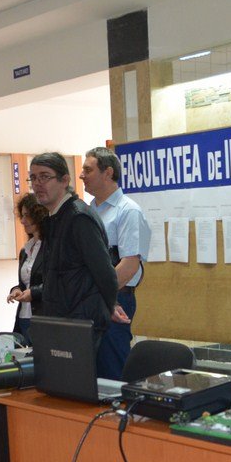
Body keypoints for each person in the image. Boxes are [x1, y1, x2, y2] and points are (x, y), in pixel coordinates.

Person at [27, 152, 125, 346]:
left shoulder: (78, 218)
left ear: (65, 180)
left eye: (44, 177)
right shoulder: (54, 218)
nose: (37, 184)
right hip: (59, 320)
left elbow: (104, 272)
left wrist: (110, 304)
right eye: (33, 178)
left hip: (79, 322)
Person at [80, 146, 150, 379]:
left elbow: (129, 266)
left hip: (115, 299)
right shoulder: (87, 211)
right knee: (88, 371)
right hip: (90, 300)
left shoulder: (128, 211)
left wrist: (102, 298)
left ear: (108, 173)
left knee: (112, 369)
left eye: (88, 170)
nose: (81, 175)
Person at [6, 192, 47, 341]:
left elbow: (56, 284)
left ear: (39, 216)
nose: (22, 221)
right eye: (21, 216)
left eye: (26, 216)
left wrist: (33, 293)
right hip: (24, 316)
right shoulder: (25, 250)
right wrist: (16, 290)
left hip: (43, 316)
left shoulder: (50, 248)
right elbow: (25, 284)